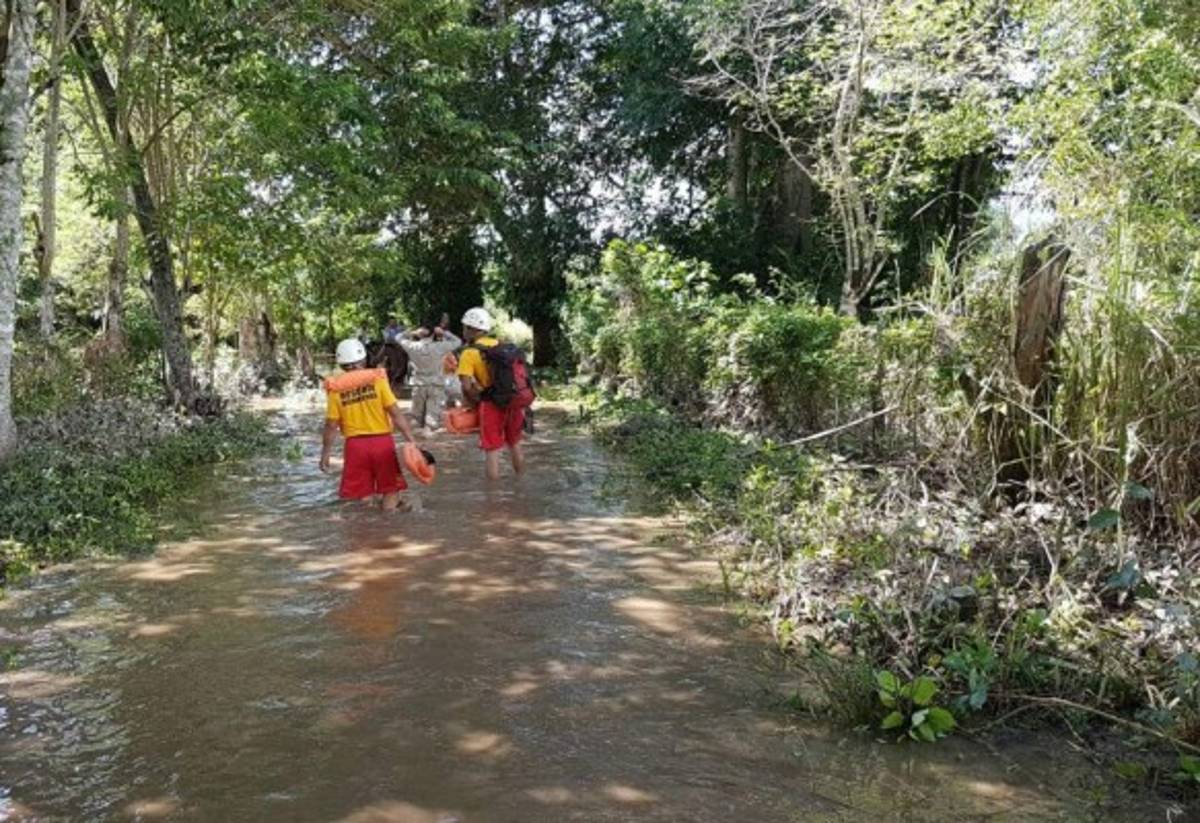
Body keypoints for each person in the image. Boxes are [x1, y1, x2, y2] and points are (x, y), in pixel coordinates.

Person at [320, 338, 417, 511]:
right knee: (390, 488)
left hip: (355, 447)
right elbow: (395, 413)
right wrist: (411, 440)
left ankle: (366, 530)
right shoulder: (378, 381)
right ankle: (388, 523)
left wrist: (325, 454)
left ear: (341, 365)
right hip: (382, 443)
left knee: (361, 493)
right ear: (364, 360)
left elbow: (331, 425)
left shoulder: (336, 389)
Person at [456, 307, 527, 480]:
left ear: (472, 329)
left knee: (492, 450)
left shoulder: (468, 353)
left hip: (491, 404)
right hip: (513, 401)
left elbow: (466, 386)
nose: (463, 331)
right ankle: (521, 482)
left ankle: (493, 497)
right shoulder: (500, 345)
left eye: (465, 327)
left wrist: (474, 404)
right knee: (515, 444)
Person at [399, 320, 462, 430]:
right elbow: (458, 341)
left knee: (416, 418)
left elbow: (398, 337)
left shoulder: (412, 346)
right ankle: (428, 433)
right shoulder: (440, 346)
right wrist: (444, 333)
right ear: (434, 334)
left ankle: (414, 440)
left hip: (418, 384)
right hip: (435, 384)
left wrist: (412, 333)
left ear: (420, 334)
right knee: (431, 420)